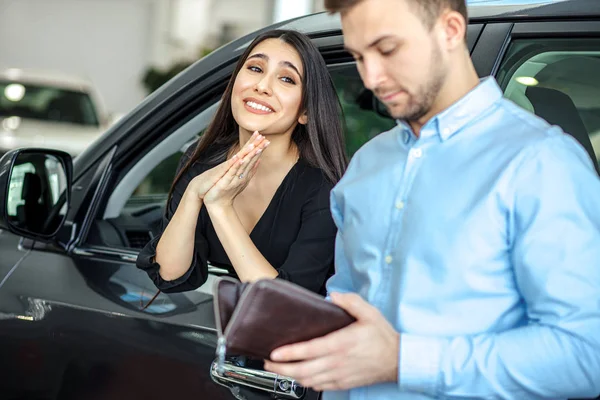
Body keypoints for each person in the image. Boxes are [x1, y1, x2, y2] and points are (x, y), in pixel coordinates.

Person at [264, 0, 600, 399]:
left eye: (387, 49)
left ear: (451, 30)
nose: (371, 77)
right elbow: (345, 314)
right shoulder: (367, 165)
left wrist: (403, 360)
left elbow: (586, 356)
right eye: (358, 57)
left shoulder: (542, 164)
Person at [136, 29, 347, 296]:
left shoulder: (324, 188)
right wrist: (193, 193)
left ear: (305, 111)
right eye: (255, 68)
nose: (262, 86)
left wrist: (221, 207)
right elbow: (168, 275)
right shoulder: (201, 161)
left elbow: (283, 303)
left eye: (286, 78)